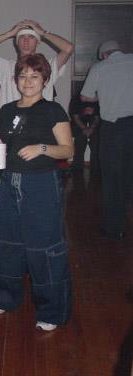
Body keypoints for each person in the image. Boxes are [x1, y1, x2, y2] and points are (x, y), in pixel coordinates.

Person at [0, 54, 73, 331]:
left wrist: (42, 148)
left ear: (44, 80)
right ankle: (3, 297)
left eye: (34, 76)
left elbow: (69, 152)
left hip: (41, 184)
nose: (28, 81)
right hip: (9, 180)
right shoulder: (7, 110)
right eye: (23, 76)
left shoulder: (53, 110)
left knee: (44, 247)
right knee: (5, 243)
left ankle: (51, 310)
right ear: (15, 79)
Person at [81, 40, 133, 240]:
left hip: (115, 128)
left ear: (103, 55)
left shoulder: (100, 67)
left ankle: (114, 227)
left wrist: (102, 96)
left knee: (113, 178)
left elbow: (86, 97)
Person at [0, 19, 73, 108]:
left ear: (38, 42)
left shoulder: (47, 66)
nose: (26, 41)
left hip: (39, 126)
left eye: (31, 37)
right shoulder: (5, 67)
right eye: (22, 37)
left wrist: (43, 33)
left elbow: (68, 48)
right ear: (16, 42)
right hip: (9, 125)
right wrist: (9, 34)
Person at [69, 91, 100, 173]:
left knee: (96, 140)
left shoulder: (97, 100)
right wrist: (84, 128)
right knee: (80, 140)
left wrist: (91, 128)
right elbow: (75, 118)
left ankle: (96, 167)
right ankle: (77, 167)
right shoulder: (76, 100)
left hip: (93, 125)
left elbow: (97, 118)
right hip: (79, 125)